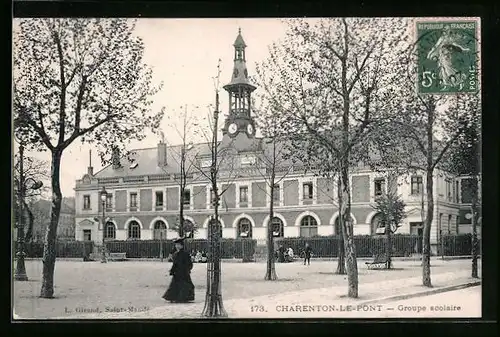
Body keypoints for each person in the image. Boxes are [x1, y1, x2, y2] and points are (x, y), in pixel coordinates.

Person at [162, 238, 195, 303]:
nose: (177, 246)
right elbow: (175, 264)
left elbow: (189, 263)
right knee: (176, 285)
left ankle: (182, 297)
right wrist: (172, 270)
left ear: (182, 246)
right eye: (176, 245)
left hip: (183, 272)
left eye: (178, 245)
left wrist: (187, 269)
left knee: (184, 285)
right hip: (178, 272)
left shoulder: (185, 254)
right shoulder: (176, 254)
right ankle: (176, 297)